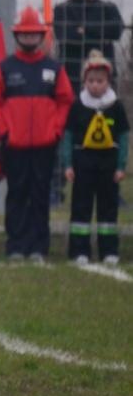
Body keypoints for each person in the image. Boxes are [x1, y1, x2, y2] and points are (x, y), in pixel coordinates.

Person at [0, 7, 73, 263]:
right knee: (17, 193)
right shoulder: (5, 68)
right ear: (17, 37)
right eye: (25, 35)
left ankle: (39, 247)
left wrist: (55, 130)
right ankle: (15, 245)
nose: (30, 39)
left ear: (42, 36)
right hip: (14, 145)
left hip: (45, 146)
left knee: (40, 194)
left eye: (35, 34)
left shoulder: (54, 69)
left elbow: (65, 101)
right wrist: (3, 131)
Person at [61, 50, 129, 266]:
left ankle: (109, 250)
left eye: (100, 81)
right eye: (91, 81)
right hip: (84, 161)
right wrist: (68, 163)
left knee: (108, 207)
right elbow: (68, 136)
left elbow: (124, 136)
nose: (95, 85)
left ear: (108, 81)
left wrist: (120, 165)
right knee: (81, 206)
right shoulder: (78, 105)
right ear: (84, 82)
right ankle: (78, 250)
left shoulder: (115, 107)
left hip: (108, 163)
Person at [52, 0, 124, 87]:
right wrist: (100, 33)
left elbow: (116, 32)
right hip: (71, 76)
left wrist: (84, 30)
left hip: (104, 76)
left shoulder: (108, 8)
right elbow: (64, 35)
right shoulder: (61, 9)